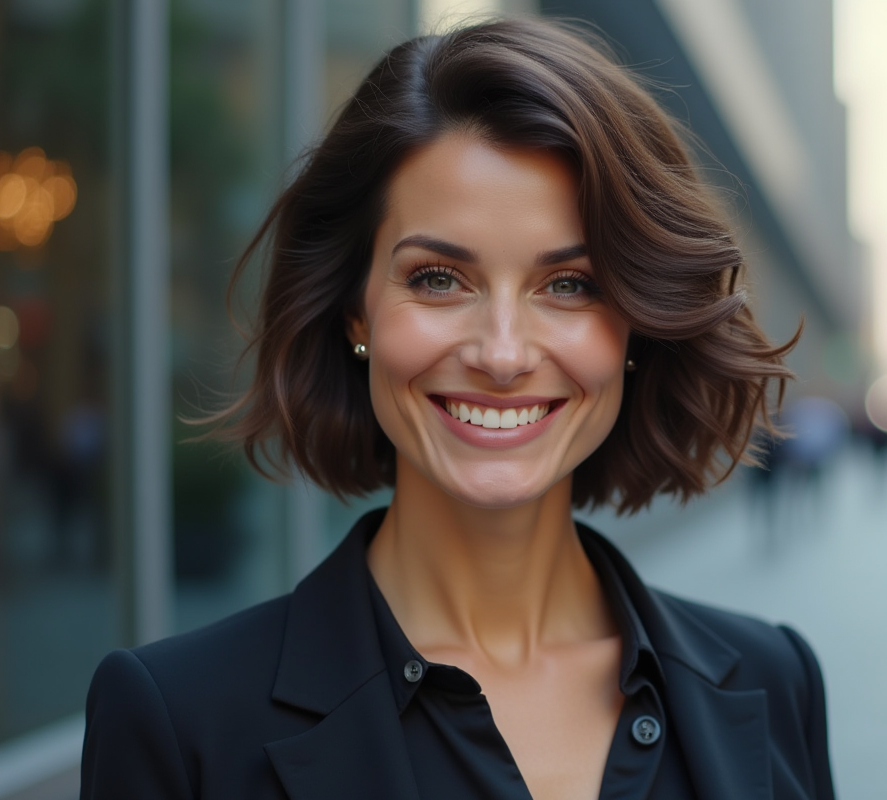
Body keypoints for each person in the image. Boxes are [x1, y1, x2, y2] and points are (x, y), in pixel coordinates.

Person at [80, 18, 834, 800]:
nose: (503, 354)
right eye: (439, 278)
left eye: (570, 285)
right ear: (357, 313)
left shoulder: (778, 684)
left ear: (635, 328)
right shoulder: (179, 721)